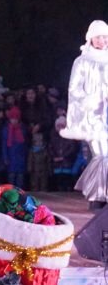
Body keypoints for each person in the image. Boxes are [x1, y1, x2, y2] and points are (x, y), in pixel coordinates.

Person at [61, 20, 108, 207]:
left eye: (105, 37)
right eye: (99, 37)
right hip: (93, 117)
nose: (103, 40)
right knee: (101, 155)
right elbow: (74, 89)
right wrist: (89, 100)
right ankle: (97, 197)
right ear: (91, 39)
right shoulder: (82, 61)